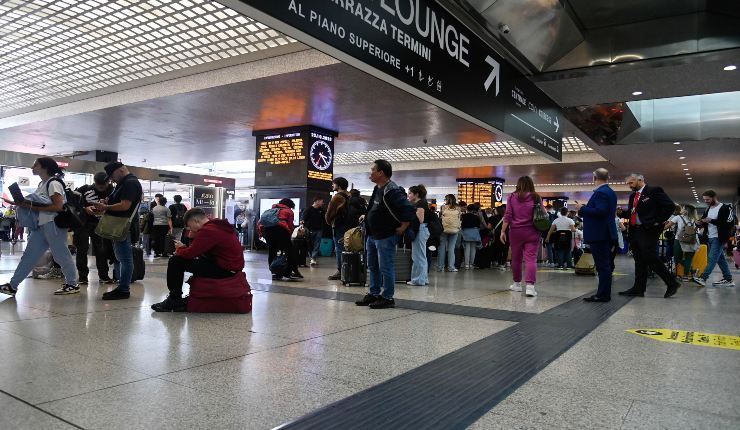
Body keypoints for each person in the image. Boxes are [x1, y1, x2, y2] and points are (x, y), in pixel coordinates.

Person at [1, 157, 79, 296]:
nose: (32, 167)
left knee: (61, 255)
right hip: (41, 225)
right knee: (29, 256)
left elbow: (58, 206)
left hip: (53, 223)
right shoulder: (42, 184)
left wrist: (31, 206)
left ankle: (73, 284)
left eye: (35, 165)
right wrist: (20, 203)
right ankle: (13, 286)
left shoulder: (53, 183)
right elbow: (39, 204)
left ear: (45, 167)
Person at [151, 208, 245, 312]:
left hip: (225, 269)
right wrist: (192, 239)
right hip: (228, 267)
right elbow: (199, 251)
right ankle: (183, 298)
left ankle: (174, 299)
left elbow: (189, 254)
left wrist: (180, 248)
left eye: (190, 227)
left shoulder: (208, 230)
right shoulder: (216, 225)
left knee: (176, 261)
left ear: (196, 221)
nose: (190, 230)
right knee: (190, 261)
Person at [355, 159, 415, 309]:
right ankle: (374, 293)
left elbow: (409, 209)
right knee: (373, 266)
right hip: (372, 235)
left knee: (386, 266)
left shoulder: (392, 190)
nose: (370, 173)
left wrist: (403, 226)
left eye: (373, 170)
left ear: (381, 172)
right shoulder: (378, 188)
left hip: (386, 235)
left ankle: (387, 297)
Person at [619, 173, 681, 298]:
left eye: (631, 183)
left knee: (650, 257)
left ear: (640, 180)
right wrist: (622, 213)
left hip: (649, 230)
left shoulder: (654, 191)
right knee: (639, 260)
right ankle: (638, 288)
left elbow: (670, 206)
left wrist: (658, 221)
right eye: (628, 183)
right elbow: (634, 214)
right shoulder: (633, 196)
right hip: (635, 231)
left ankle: (672, 283)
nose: (629, 186)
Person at [94, 161, 143, 300]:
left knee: (125, 258)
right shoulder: (123, 183)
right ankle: (122, 286)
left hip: (124, 226)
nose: (111, 179)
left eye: (112, 176)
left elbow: (124, 206)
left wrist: (105, 208)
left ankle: (123, 289)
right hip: (118, 225)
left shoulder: (130, 183)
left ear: (121, 171)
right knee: (121, 257)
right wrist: (106, 202)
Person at [576, 168, 618, 302]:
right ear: (608, 177)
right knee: (604, 265)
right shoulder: (610, 192)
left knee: (602, 266)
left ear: (594, 177)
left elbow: (600, 211)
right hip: (605, 233)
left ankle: (603, 295)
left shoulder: (601, 192)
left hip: (600, 234)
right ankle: (603, 293)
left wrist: (582, 209)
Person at [500, 176, 544, 297]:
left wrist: (502, 231)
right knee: (531, 259)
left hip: (515, 232)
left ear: (518, 184)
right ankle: (530, 287)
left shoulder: (512, 197)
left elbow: (508, 215)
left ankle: (517, 284)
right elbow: (543, 214)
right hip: (533, 231)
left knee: (516, 259)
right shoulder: (536, 197)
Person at [73, 172, 116, 285]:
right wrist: (84, 208)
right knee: (82, 249)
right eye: (98, 184)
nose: (101, 187)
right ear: (94, 182)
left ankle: (104, 276)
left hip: (102, 224)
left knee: (101, 250)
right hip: (83, 223)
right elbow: (72, 201)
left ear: (108, 182)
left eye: (103, 184)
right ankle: (83, 277)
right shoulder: (85, 189)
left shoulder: (113, 191)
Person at [694, 190, 735, 287]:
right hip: (710, 237)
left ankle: (703, 278)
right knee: (720, 259)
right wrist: (699, 223)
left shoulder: (725, 208)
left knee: (712, 258)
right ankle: (728, 279)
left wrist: (711, 220)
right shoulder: (708, 209)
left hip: (719, 238)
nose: (706, 201)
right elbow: (704, 222)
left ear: (714, 197)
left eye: (708, 199)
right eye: (704, 199)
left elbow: (729, 224)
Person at [259, 198, 302, 280]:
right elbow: (290, 225)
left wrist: (262, 234)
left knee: (272, 251)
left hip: (267, 231)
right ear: (289, 205)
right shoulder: (288, 211)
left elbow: (260, 223)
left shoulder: (269, 210)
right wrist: (289, 235)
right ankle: (291, 271)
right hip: (281, 230)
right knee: (290, 251)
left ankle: (274, 273)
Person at [665, 204, 700, 282]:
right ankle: (688, 274)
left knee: (677, 257)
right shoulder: (695, 219)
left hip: (679, 240)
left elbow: (667, 226)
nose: (681, 209)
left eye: (683, 208)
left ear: (686, 210)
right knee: (688, 258)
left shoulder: (677, 217)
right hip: (692, 240)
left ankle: (690, 272)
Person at [325, 177, 351, 279]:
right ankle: (349, 270)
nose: (332, 185)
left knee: (339, 249)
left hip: (339, 225)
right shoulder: (350, 195)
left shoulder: (337, 197)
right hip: (349, 226)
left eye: (334, 184)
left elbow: (329, 213)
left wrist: (329, 222)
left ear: (339, 185)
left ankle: (341, 271)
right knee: (349, 248)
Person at [407, 184, 432, 286]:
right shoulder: (421, 203)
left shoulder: (420, 204)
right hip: (423, 230)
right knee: (421, 256)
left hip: (420, 230)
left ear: (416, 194)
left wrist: (411, 211)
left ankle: (418, 280)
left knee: (418, 256)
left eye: (410, 193)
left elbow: (420, 220)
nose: (408, 195)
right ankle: (423, 278)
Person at [438, 194, 461, 272]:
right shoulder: (458, 208)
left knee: (442, 248)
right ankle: (451, 267)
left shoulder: (443, 207)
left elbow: (441, 217)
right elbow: (459, 218)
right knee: (451, 248)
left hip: (444, 229)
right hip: (454, 229)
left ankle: (441, 267)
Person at [302, 196, 326, 267]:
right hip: (309, 229)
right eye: (321, 201)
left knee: (317, 244)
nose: (323, 203)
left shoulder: (321, 210)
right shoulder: (308, 209)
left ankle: (313, 258)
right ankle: (311, 257)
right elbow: (303, 218)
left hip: (319, 229)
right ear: (316, 201)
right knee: (310, 245)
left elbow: (324, 218)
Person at [460, 204, 482, 269]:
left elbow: (461, 225)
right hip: (474, 233)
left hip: (466, 232)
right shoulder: (477, 217)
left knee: (466, 249)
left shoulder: (463, 216)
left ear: (467, 209)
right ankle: (471, 264)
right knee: (473, 249)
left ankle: (466, 265)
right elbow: (478, 226)